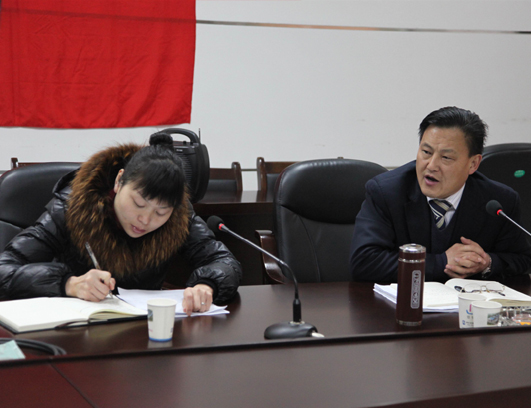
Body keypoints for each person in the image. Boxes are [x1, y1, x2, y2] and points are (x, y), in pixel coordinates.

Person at [0, 134, 242, 315]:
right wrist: (68, 283)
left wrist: (207, 284)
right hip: (73, 335)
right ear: (119, 181)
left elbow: (224, 261)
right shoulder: (71, 208)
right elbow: (4, 269)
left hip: (144, 336)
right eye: (138, 203)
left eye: (161, 212)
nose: (145, 220)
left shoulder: (179, 216)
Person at [350, 106, 531, 283]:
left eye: (446, 157)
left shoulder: (499, 201)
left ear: (473, 164)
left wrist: (487, 263)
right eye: (426, 152)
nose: (431, 165)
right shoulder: (387, 192)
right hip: (403, 301)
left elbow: (522, 259)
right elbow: (364, 262)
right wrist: (441, 262)